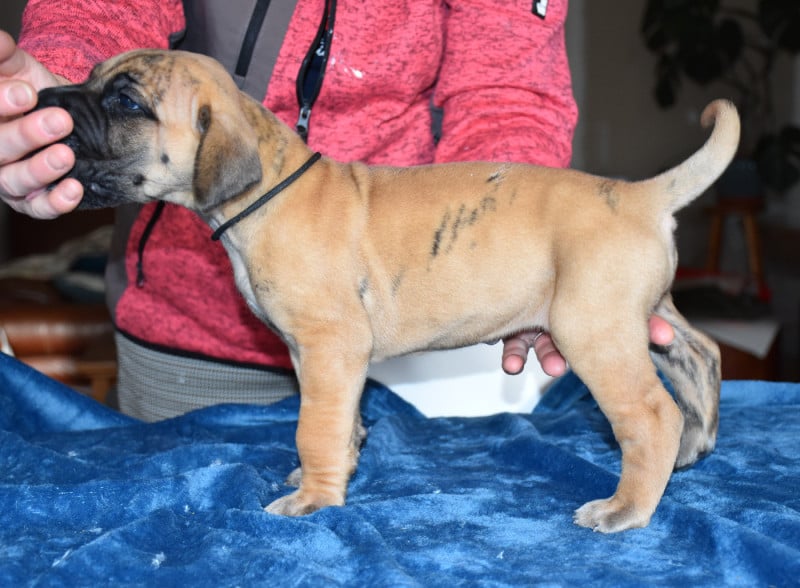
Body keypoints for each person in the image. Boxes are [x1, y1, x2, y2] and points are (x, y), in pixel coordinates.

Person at [0, 1, 673, 420]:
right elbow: (102, 9)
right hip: (194, 334)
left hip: (433, 324)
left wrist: (523, 262)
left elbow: (507, 89)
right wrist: (56, 94)